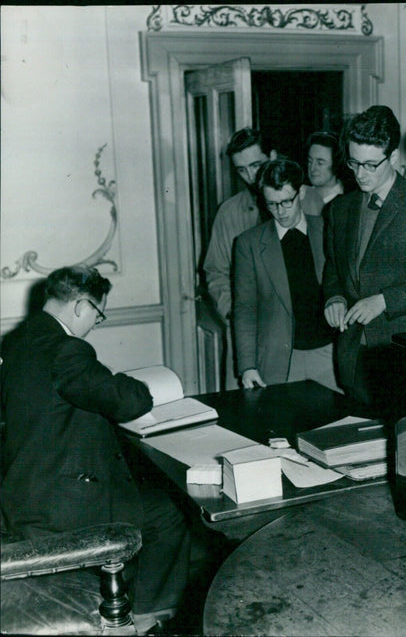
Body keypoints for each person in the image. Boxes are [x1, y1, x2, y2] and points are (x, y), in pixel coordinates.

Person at [0, 266, 191, 629]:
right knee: (167, 516)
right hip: (58, 505)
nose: (95, 323)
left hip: (22, 490)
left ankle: (135, 605)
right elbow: (127, 403)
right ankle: (147, 617)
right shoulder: (66, 349)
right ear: (81, 306)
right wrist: (137, 387)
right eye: (98, 315)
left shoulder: (17, 340)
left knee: (152, 507)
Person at [322, 105, 406, 407]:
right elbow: (334, 269)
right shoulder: (340, 208)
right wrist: (334, 298)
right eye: (354, 163)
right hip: (353, 357)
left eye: (371, 165)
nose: (360, 174)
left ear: (394, 158)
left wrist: (385, 300)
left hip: (404, 352)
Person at [233, 159, 338, 392]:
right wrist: (247, 366)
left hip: (330, 356)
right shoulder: (248, 244)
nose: (280, 212)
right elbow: (245, 309)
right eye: (272, 204)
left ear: (300, 192)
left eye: (286, 202)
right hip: (279, 360)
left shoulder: (328, 229)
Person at [203, 127, 278, 389]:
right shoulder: (229, 212)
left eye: (256, 165)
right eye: (241, 170)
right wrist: (234, 313)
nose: (250, 176)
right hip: (246, 330)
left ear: (272, 156)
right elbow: (215, 272)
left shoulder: (304, 201)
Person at [306, 131, 348, 206]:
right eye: (310, 161)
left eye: (320, 163)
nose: (312, 168)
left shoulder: (344, 203)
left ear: (336, 164)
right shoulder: (302, 195)